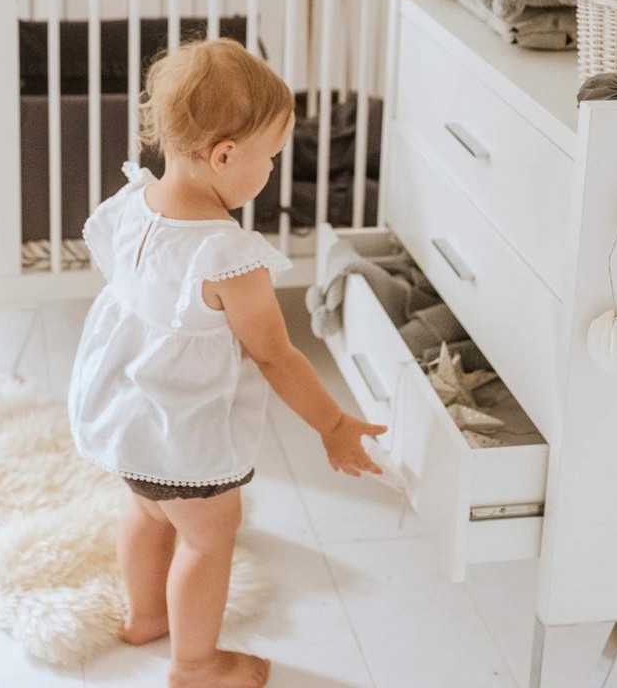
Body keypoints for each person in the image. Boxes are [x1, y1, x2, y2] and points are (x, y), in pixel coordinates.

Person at [68, 37, 387, 688]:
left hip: (128, 418)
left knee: (146, 514)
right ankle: (196, 664)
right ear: (224, 156)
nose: (271, 170)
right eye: (270, 157)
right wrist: (332, 424)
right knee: (207, 541)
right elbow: (275, 355)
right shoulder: (226, 256)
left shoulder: (132, 205)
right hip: (185, 438)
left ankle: (145, 617)